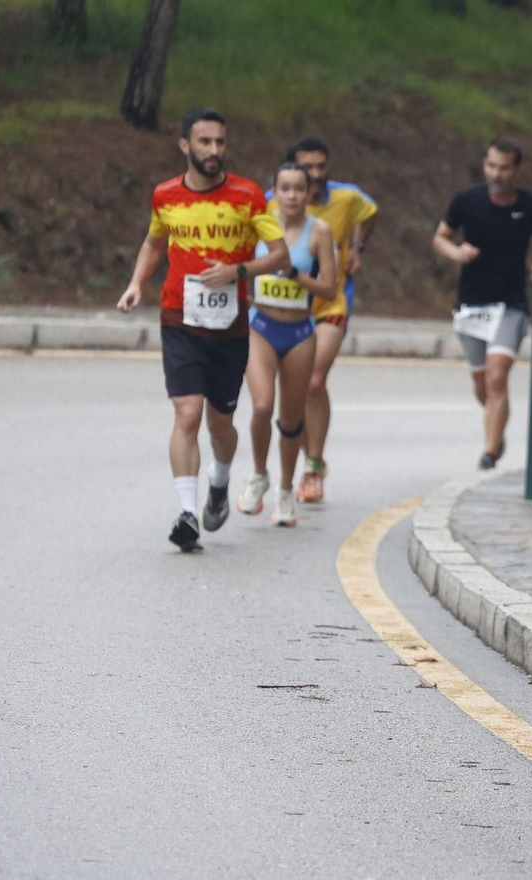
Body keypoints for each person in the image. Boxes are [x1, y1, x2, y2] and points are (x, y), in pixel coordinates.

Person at [117, 107, 287, 552]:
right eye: (205, 142)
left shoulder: (248, 195)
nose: (214, 151)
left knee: (220, 423)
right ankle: (188, 514)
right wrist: (137, 283)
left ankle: (220, 480)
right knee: (187, 414)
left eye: (220, 142)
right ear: (185, 145)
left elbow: (281, 255)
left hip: (229, 327)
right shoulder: (166, 195)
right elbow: (155, 242)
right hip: (180, 318)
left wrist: (238, 270)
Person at [237, 162, 339, 528]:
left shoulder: (320, 232)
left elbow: (331, 288)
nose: (293, 195)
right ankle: (258, 475)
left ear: (309, 192)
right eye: (286, 188)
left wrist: (296, 275)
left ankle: (284, 491)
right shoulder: (260, 224)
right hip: (261, 326)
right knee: (262, 406)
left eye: (300, 188)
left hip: (299, 333)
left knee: (290, 419)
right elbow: (240, 264)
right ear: (275, 191)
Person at [279, 136, 379, 503]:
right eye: (308, 168)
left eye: (322, 166)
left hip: (331, 303)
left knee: (313, 381)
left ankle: (313, 467)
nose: (317, 174)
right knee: (294, 388)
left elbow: (369, 214)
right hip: (286, 306)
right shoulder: (274, 202)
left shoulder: (347, 198)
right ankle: (303, 457)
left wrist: (356, 248)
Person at [433, 137, 532, 469]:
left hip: (511, 304)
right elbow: (440, 237)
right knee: (481, 384)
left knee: (496, 378)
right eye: (492, 166)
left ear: (516, 170)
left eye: (505, 168)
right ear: (484, 165)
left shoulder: (531, 206)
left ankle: (489, 453)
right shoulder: (467, 200)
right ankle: (497, 428)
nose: (497, 174)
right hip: (472, 304)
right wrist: (456, 253)